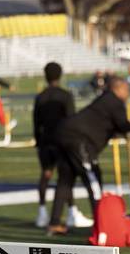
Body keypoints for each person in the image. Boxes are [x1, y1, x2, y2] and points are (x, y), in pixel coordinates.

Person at [46, 77, 130, 236]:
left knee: (65, 180)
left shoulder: (105, 99)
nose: (128, 93)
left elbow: (110, 124)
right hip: (79, 139)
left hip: (65, 134)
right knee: (93, 178)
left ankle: (54, 223)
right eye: (126, 89)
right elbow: (122, 124)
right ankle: (102, 224)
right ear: (119, 88)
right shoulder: (114, 101)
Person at [32, 62, 91, 229]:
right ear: (60, 75)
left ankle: (42, 212)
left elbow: (36, 123)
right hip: (61, 141)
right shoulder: (65, 95)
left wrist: (38, 141)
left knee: (46, 174)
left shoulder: (40, 96)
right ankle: (72, 211)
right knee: (65, 177)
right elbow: (71, 119)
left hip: (45, 141)